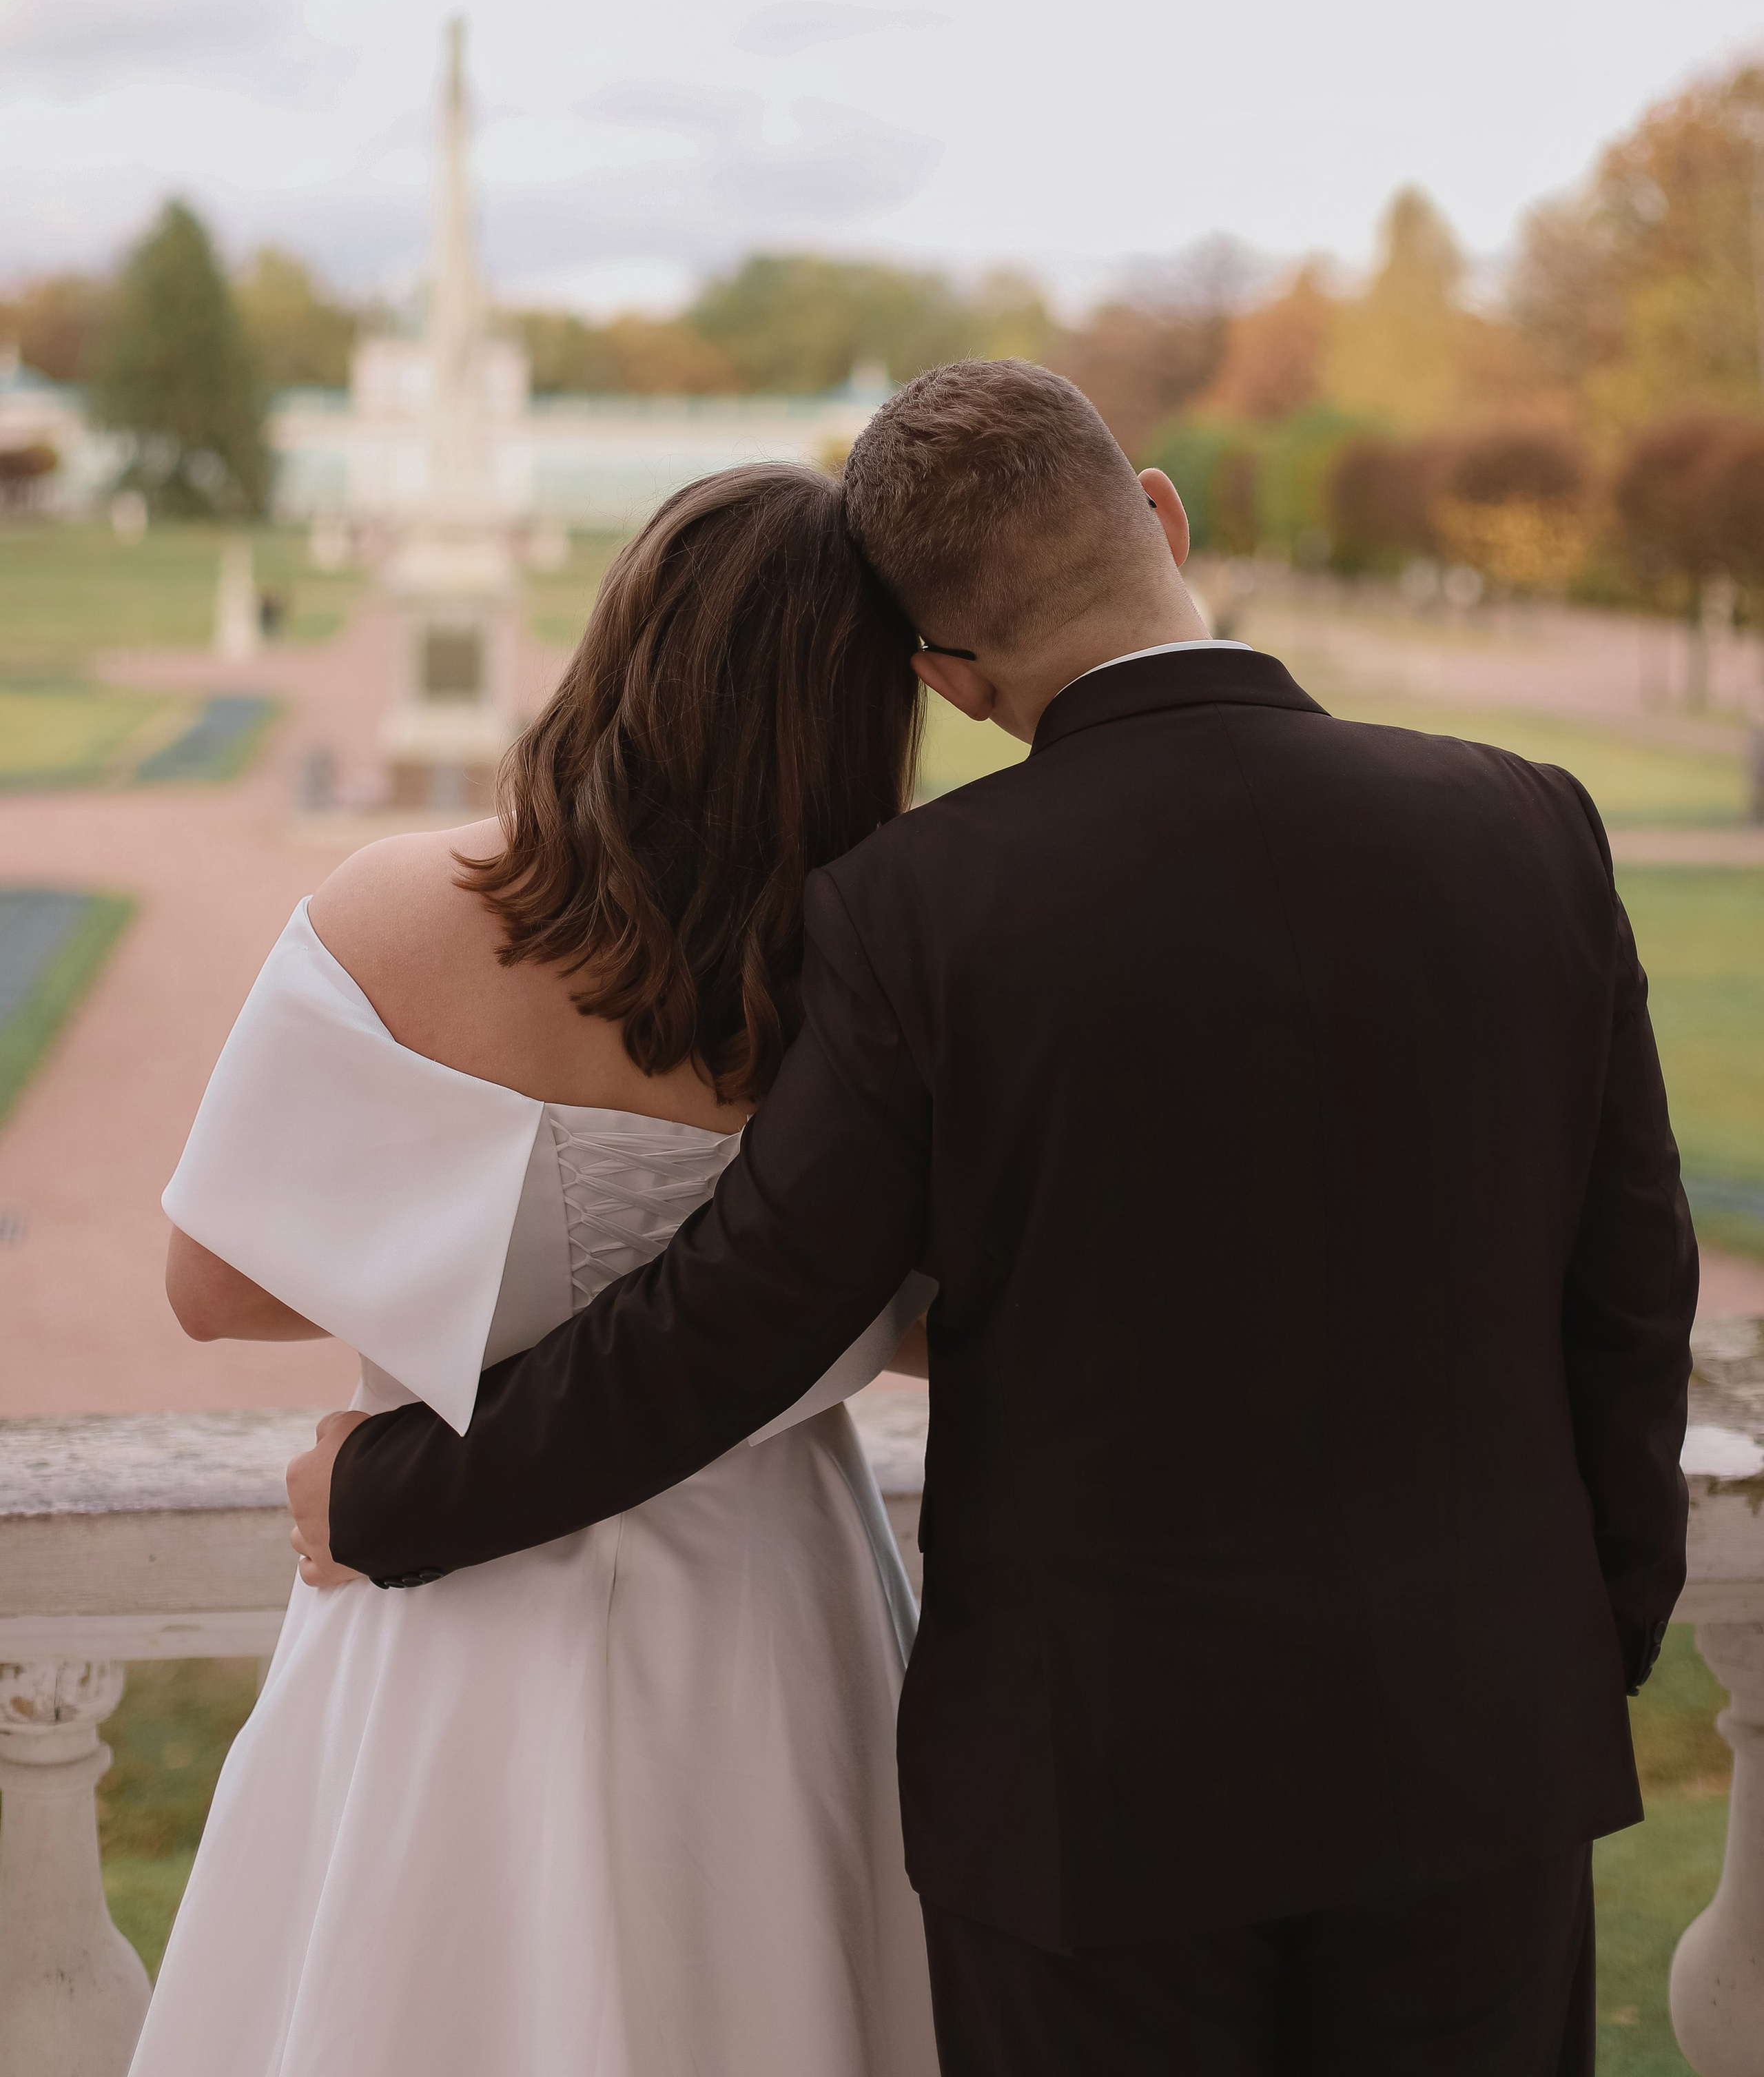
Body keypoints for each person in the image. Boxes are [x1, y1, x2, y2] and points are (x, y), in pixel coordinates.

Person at [296, 359, 1696, 2077]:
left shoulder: (914, 912)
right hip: (1478, 1746)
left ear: (947, 681)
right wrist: (1585, 1634)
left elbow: (735, 1323)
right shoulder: (1529, 828)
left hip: (1092, 1795)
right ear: (1159, 513)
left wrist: (392, 1493)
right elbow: (1629, 1298)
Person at [132, 466, 942, 2077]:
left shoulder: (407, 907)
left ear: (623, 641)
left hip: (444, 1594)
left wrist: (464, 1250)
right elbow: (930, 1315)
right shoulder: (892, 969)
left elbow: (209, 1284)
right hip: (774, 1615)